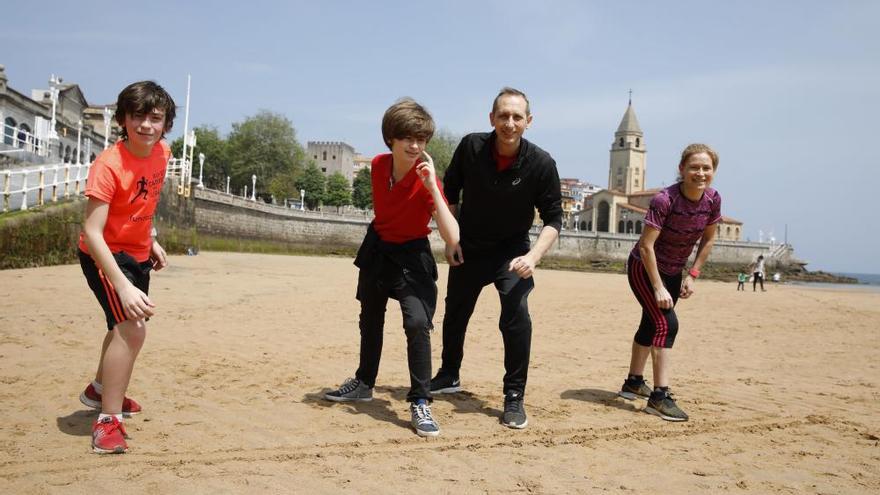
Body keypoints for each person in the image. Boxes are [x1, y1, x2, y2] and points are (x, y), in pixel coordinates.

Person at [324, 98, 459, 438]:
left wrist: (432, 187)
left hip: (414, 255)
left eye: (421, 140)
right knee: (370, 316)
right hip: (379, 248)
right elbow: (388, 211)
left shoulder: (429, 180)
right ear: (391, 139)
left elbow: (453, 236)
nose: (415, 146)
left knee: (417, 323)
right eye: (407, 139)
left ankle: (420, 401)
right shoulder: (378, 165)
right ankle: (364, 383)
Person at [430, 87, 562, 430]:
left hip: (514, 252)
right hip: (469, 245)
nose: (510, 123)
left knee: (517, 316)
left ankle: (514, 396)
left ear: (528, 122)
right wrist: (451, 238)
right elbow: (449, 193)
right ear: (492, 118)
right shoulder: (471, 147)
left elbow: (553, 220)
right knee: (456, 311)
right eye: (503, 115)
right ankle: (448, 374)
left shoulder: (542, 163)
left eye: (517, 117)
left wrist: (532, 257)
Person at [77, 81, 176, 453]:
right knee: (133, 328)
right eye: (138, 117)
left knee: (122, 327)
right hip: (103, 253)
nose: (147, 125)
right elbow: (92, 230)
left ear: (166, 123)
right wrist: (121, 284)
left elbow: (142, 203)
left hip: (135, 253)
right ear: (123, 119)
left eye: (156, 118)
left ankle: (99, 390)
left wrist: (150, 239)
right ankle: (108, 421)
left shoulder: (162, 153)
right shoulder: (108, 165)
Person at [617, 143, 721, 422]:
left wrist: (693, 274)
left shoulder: (712, 200)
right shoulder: (665, 200)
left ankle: (633, 382)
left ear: (714, 171)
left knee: (651, 323)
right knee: (667, 324)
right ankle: (659, 397)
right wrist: (658, 286)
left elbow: (709, 239)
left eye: (706, 168)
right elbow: (646, 247)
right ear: (682, 169)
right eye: (694, 167)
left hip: (675, 271)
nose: (700, 173)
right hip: (644, 267)